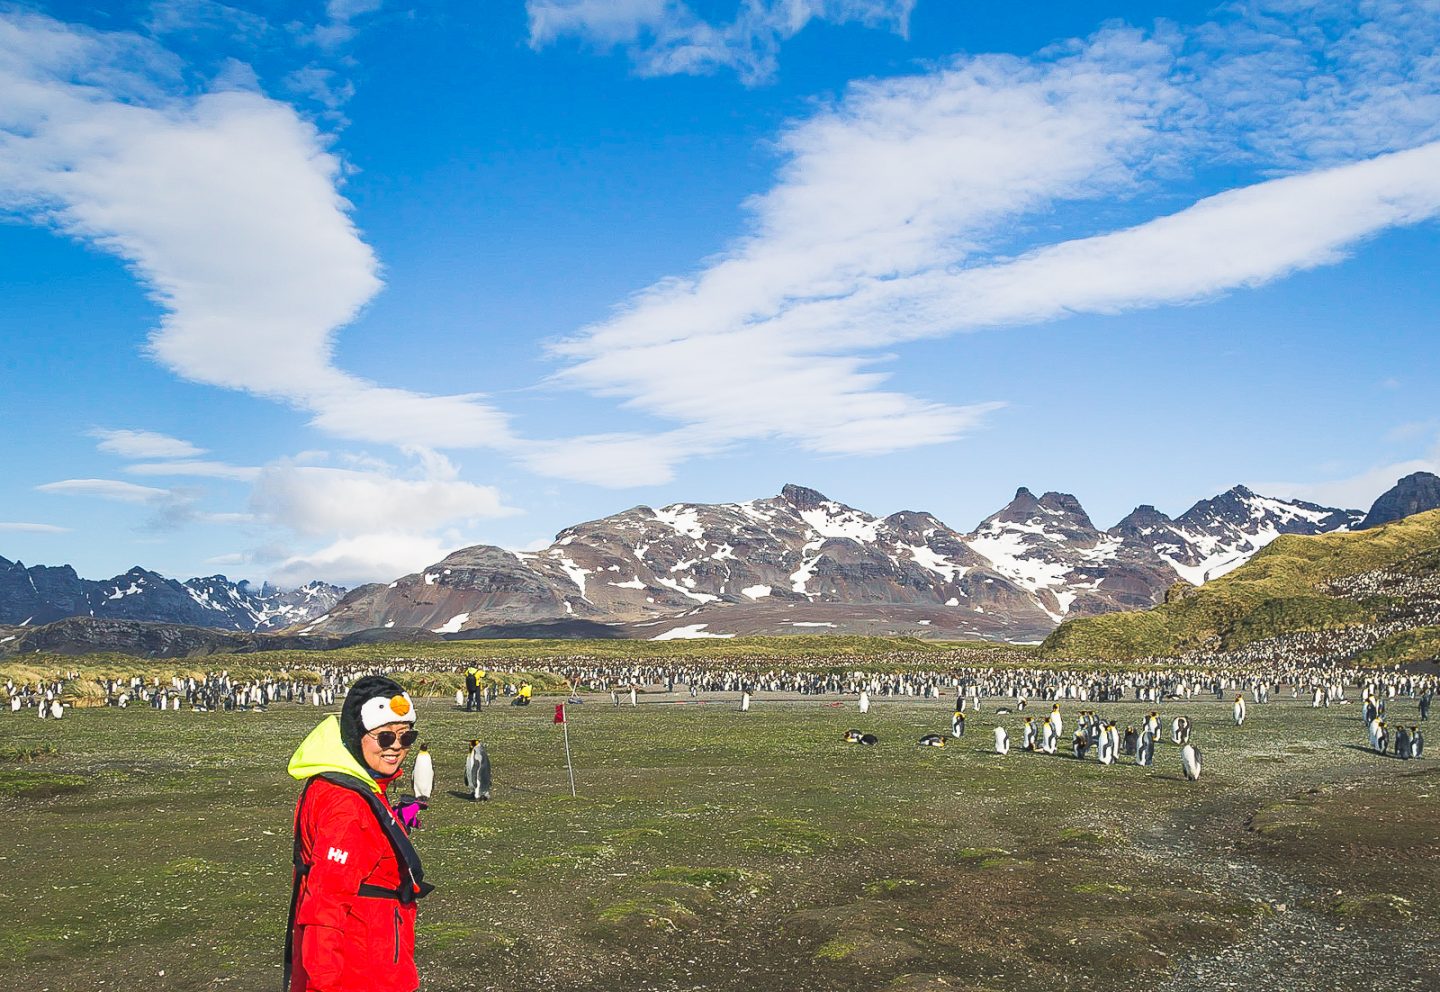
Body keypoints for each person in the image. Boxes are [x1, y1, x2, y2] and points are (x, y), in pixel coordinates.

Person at [285, 675, 434, 992]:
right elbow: (325, 908)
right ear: (357, 734)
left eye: (406, 738)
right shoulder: (348, 806)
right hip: (362, 968)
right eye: (384, 738)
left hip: (370, 957)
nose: (396, 747)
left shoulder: (350, 785)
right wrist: (324, 986)